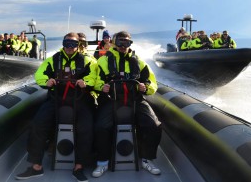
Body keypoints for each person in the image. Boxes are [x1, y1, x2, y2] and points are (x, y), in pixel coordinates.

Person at [16, 32, 97, 182]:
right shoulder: (53, 60)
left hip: (79, 99)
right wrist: (46, 81)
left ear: (78, 45)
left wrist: (85, 82)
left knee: (86, 127)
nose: (69, 47)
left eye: (73, 44)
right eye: (67, 43)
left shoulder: (87, 60)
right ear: (63, 43)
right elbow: (40, 74)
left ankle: (79, 167)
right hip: (56, 98)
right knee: (38, 124)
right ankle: (36, 166)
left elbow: (94, 76)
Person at [92, 31, 162, 178]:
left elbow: (151, 82)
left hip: (135, 100)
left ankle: (146, 158)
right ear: (113, 43)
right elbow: (97, 81)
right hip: (112, 100)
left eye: (127, 43)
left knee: (153, 125)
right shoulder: (103, 61)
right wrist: (101, 87)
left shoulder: (139, 62)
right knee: (100, 127)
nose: (124, 46)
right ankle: (102, 162)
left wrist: (146, 87)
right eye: (120, 43)